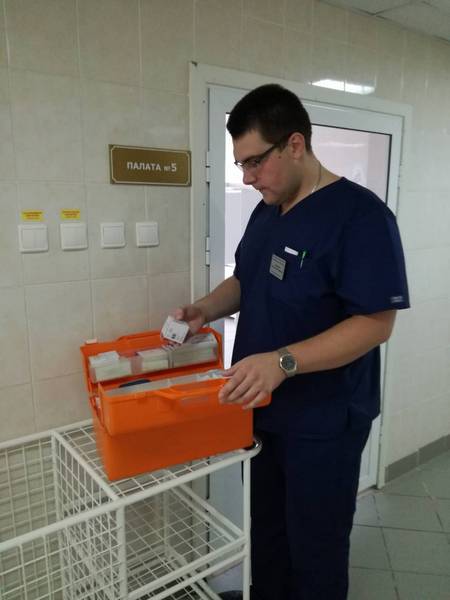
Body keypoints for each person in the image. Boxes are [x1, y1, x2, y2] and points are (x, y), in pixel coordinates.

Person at [174, 84, 409, 600]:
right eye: (241, 164)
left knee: (315, 549)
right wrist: (203, 310)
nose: (247, 177)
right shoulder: (268, 209)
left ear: (295, 144)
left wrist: (282, 362)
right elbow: (248, 279)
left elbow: (375, 323)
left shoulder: (361, 218)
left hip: (323, 423)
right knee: (269, 536)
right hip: (262, 412)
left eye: (255, 162)